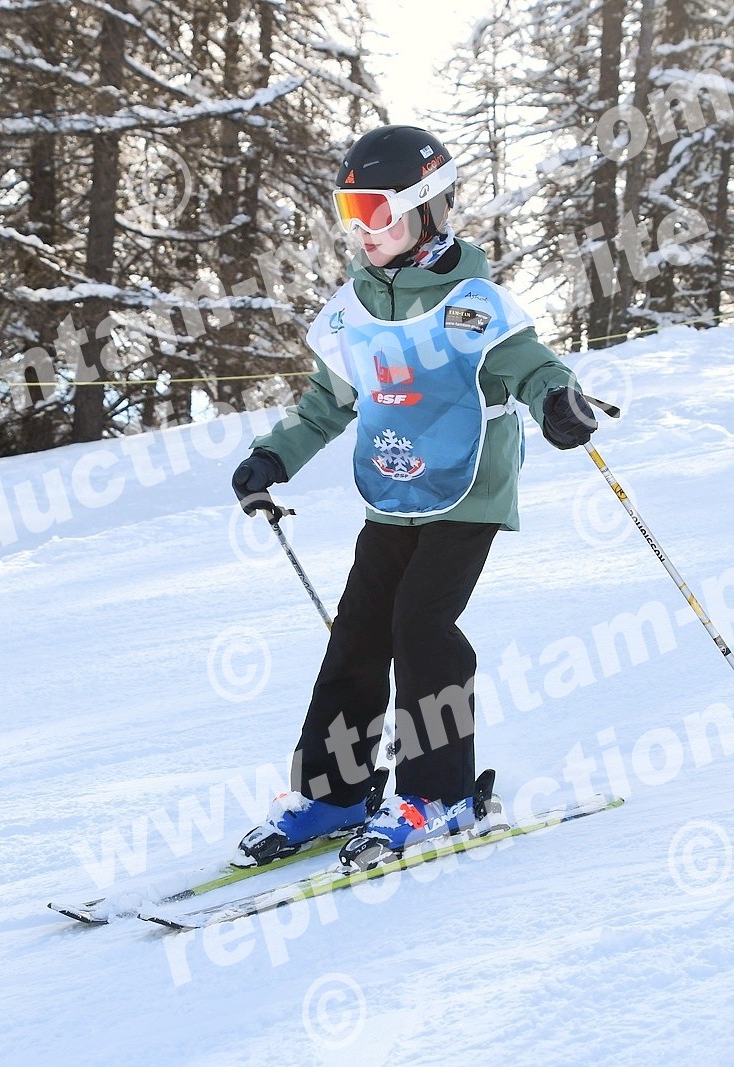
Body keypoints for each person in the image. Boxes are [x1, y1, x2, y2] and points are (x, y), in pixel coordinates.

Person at [229, 125, 598, 872]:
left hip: (468, 489)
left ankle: (438, 794)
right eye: (350, 211)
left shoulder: (474, 304)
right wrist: (274, 455)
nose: (362, 229)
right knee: (357, 636)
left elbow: (533, 367)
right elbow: (324, 405)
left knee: (421, 625)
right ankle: (333, 794)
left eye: (376, 210)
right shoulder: (354, 311)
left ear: (427, 207)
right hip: (392, 493)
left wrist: (558, 401)